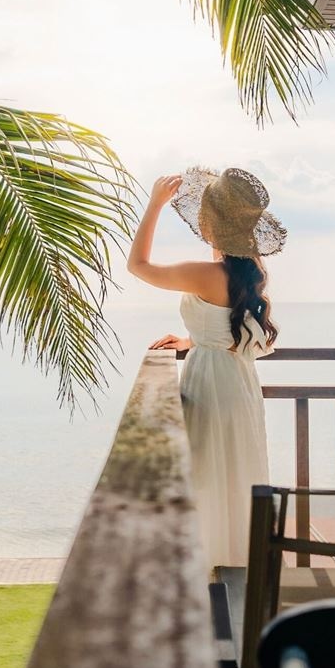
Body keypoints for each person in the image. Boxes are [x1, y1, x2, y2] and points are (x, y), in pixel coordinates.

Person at [127, 166, 284, 567]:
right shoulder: (249, 272)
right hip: (239, 384)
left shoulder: (205, 274)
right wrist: (192, 340)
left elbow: (138, 266)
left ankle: (204, 564)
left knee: (206, 473)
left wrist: (154, 205)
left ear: (210, 223)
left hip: (210, 384)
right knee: (236, 471)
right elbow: (228, 325)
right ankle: (238, 561)